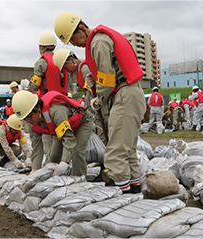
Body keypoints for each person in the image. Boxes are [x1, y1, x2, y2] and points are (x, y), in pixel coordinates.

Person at [54, 12, 145, 192]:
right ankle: (134, 190)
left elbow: (107, 78)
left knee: (114, 154)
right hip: (129, 93)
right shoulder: (100, 40)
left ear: (81, 28)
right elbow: (108, 72)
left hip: (125, 95)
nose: (75, 44)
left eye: (73, 38)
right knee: (128, 151)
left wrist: (98, 99)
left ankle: (125, 197)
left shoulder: (98, 42)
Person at [12, 90, 93, 176]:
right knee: (53, 157)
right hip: (60, 130)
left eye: (28, 117)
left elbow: (68, 139)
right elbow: (36, 146)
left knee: (76, 151)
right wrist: (35, 169)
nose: (27, 121)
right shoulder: (32, 123)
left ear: (38, 108)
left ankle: (78, 179)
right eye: (24, 119)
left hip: (81, 123)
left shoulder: (56, 112)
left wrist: (64, 162)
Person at [27, 33, 70, 162]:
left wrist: (26, 87)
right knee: (63, 135)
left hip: (47, 104)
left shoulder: (42, 63)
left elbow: (34, 85)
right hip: (63, 103)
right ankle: (64, 161)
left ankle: (50, 165)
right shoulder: (61, 61)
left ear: (42, 47)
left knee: (48, 136)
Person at [52, 48, 109, 144]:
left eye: (66, 68)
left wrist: (91, 110)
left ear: (71, 60)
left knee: (104, 132)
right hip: (97, 107)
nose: (67, 71)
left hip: (101, 107)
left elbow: (92, 92)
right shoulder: (79, 70)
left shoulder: (84, 68)